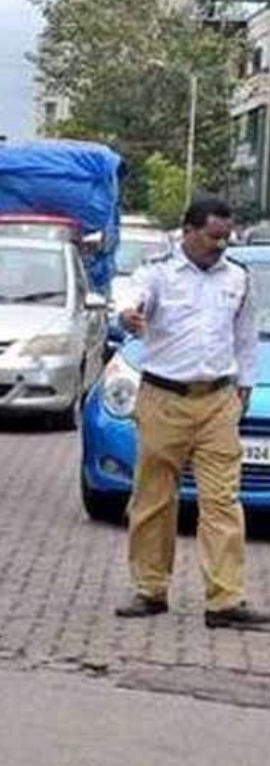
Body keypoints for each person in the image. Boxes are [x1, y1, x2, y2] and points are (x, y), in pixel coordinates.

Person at [116, 196, 270, 630]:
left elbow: (244, 336)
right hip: (164, 398)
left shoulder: (237, 278)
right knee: (154, 499)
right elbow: (135, 299)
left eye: (227, 237)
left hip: (218, 400)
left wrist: (243, 387)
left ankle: (225, 600)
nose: (221, 245)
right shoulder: (159, 272)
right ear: (188, 231)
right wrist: (130, 316)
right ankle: (150, 590)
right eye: (213, 236)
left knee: (223, 501)